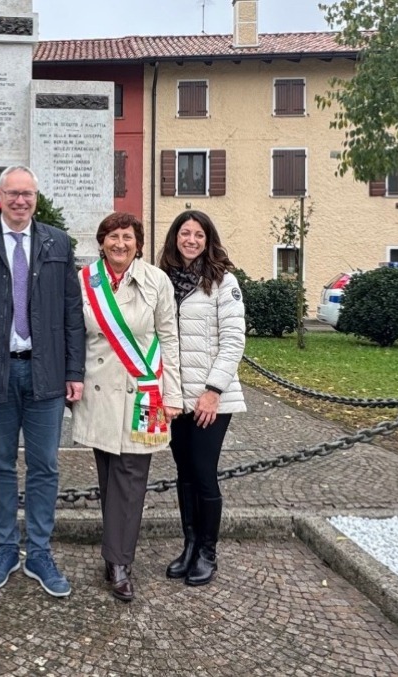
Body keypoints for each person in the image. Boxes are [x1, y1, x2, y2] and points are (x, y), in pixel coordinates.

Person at [0, 165, 85, 598]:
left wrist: (74, 372)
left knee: (45, 466)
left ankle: (39, 552)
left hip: (46, 372)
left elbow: (71, 314)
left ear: (36, 198)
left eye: (28, 194)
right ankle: (6, 548)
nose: (21, 201)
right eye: (13, 193)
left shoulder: (57, 242)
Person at [71, 212, 182, 602]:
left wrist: (173, 395)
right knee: (108, 476)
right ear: (101, 242)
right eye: (113, 237)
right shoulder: (84, 282)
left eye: (128, 237)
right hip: (99, 393)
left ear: (139, 242)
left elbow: (170, 338)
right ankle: (114, 551)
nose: (120, 243)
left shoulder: (156, 281)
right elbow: (74, 336)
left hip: (144, 392)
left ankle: (120, 562)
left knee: (131, 478)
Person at [157, 210, 246, 587]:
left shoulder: (223, 282)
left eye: (198, 235)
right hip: (176, 398)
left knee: (204, 474)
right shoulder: (163, 280)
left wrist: (213, 391)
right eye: (184, 233)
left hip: (211, 399)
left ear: (208, 240)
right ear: (175, 237)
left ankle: (208, 552)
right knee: (184, 475)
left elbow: (234, 341)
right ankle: (190, 545)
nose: (191, 240)